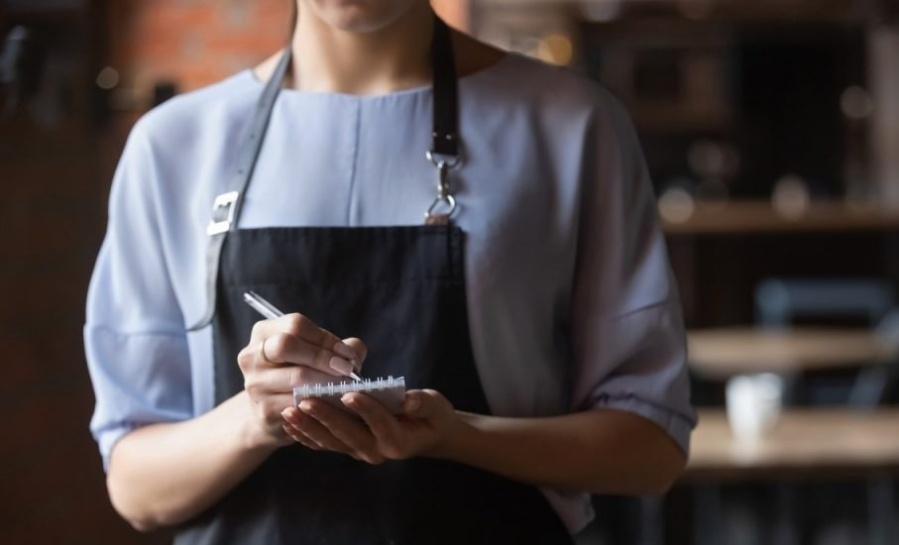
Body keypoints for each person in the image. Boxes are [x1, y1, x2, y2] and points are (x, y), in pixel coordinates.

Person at [84, 1, 696, 543]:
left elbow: (649, 450)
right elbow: (137, 491)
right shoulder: (173, 146)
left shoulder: (571, 125)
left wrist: (459, 435)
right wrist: (253, 419)